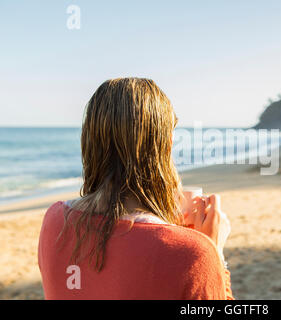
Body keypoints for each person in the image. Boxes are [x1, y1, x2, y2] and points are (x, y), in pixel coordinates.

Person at [38, 78, 233, 300]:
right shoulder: (194, 254)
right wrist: (214, 255)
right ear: (166, 145)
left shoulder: (54, 221)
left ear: (89, 142)